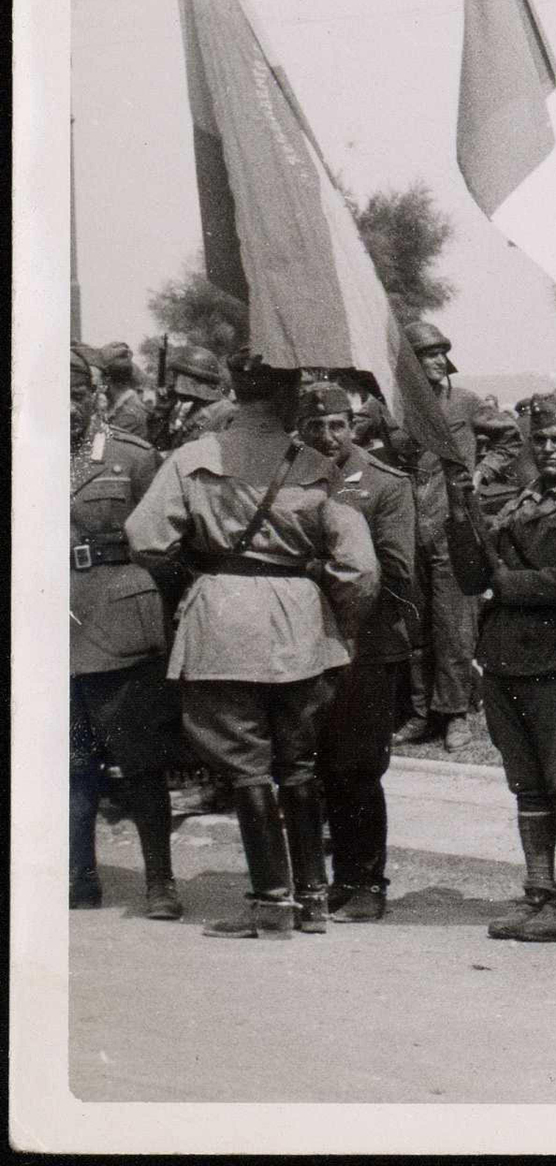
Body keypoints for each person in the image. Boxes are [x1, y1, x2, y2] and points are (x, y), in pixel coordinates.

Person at [125, 351, 379, 939]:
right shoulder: (318, 465)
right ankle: (312, 900)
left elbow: (145, 537)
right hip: (300, 625)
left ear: (237, 392)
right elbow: (358, 568)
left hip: (221, 622)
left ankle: (271, 903)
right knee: (297, 761)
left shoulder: (192, 459)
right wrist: (337, 623)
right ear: (289, 396)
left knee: (245, 766)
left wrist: (193, 574)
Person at [446, 391, 556, 942]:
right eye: (538, 440)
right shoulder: (522, 499)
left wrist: (504, 583)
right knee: (526, 786)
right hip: (505, 661)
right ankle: (538, 895)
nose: (546, 448)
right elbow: (473, 577)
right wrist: (461, 511)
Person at [296, 381, 419, 923]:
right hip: (303, 643)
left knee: (357, 767)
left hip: (366, 645)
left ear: (355, 424)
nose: (327, 436)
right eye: (316, 426)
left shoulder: (382, 484)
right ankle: (324, 880)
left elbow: (397, 574)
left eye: (338, 425)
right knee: (312, 766)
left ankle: (366, 882)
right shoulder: (290, 477)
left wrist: (317, 572)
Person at [70, 348, 182, 919]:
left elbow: (167, 543)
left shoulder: (131, 457)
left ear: (95, 394)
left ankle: (159, 882)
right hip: (49, 623)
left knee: (139, 762)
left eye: (74, 395)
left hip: (118, 623)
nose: (64, 408)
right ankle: (79, 878)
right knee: (69, 762)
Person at [396, 321, 484, 750]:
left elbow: (507, 437)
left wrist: (482, 473)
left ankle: (455, 713)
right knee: (416, 626)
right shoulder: (391, 407)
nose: (435, 361)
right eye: (426, 355)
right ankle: (420, 714)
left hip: (454, 526)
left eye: (439, 353)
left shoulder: (466, 402)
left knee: (454, 625)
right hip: (409, 528)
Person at [150, 344, 232, 452]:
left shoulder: (226, 412)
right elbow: (162, 448)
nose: (172, 383)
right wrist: (162, 410)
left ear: (192, 380)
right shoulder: (198, 408)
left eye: (176, 376)